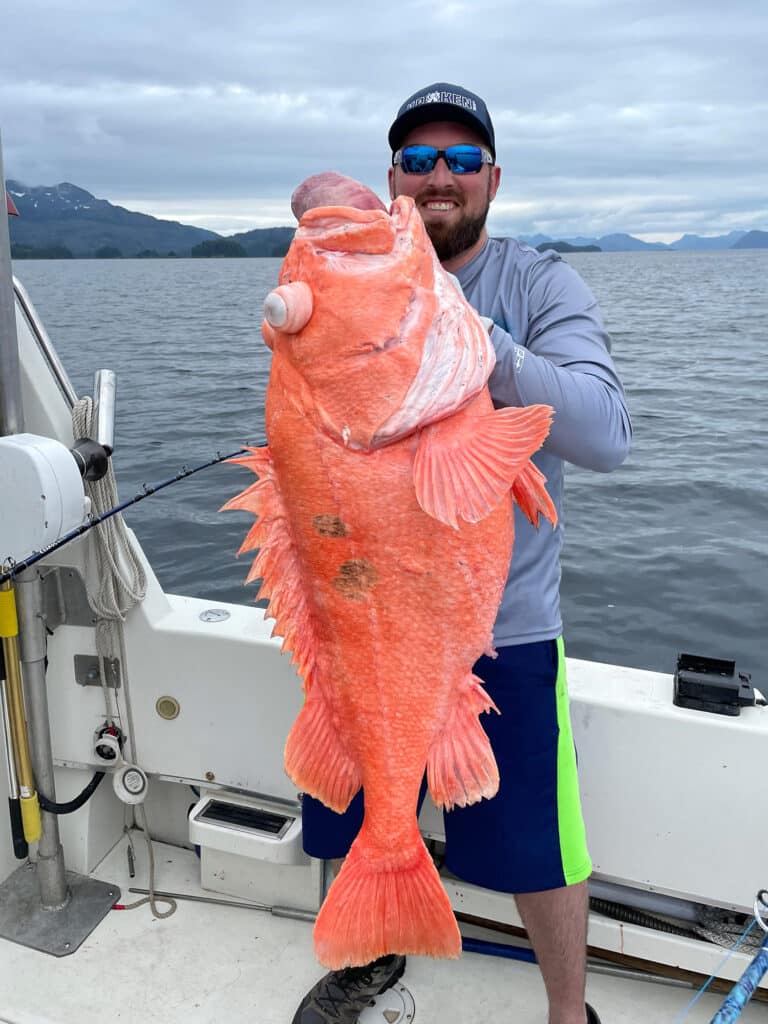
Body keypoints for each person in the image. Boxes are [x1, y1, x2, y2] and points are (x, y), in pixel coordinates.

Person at [292, 82, 632, 1024]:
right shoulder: (351, 280)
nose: (439, 176)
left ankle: (568, 1011)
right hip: (363, 615)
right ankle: (368, 959)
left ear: (493, 177)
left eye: (461, 159)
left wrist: (481, 347)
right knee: (356, 805)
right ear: (393, 180)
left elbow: (607, 434)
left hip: (503, 626)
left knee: (538, 849)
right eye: (418, 160)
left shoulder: (540, 285)